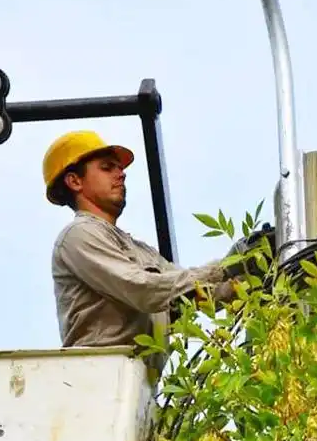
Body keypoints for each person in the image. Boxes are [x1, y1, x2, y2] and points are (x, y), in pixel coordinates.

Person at [43, 130, 238, 356]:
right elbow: (142, 288)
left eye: (120, 168)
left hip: (137, 384)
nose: (121, 174)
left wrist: (248, 269)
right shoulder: (78, 236)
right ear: (75, 181)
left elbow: (192, 292)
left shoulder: (140, 251)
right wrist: (222, 269)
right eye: (107, 168)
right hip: (97, 377)